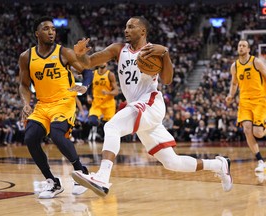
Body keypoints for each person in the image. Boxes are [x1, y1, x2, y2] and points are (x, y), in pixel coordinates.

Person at [72, 16, 232, 197]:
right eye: (125, 26)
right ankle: (219, 165)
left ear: (142, 31)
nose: (126, 30)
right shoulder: (118, 49)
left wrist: (165, 54)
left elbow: (167, 80)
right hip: (138, 107)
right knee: (172, 162)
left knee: (112, 126)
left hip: (150, 102)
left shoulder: (154, 51)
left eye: (131, 27)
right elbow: (87, 63)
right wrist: (79, 54)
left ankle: (102, 176)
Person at [18, 16, 93, 199]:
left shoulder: (63, 52)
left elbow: (87, 70)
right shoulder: (26, 57)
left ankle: (81, 172)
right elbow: (24, 85)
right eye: (46, 29)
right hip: (43, 104)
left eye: (53, 29)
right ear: (37, 33)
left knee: (57, 134)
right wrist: (26, 104)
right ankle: (52, 182)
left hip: (64, 101)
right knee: (30, 137)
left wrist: (85, 85)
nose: (51, 32)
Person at [226, 39, 266, 172]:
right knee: (247, 130)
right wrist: (231, 95)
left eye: (244, 46)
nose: (241, 47)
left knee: (258, 133)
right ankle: (260, 160)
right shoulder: (235, 66)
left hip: (260, 99)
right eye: (239, 45)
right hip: (244, 101)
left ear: (248, 49)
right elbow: (234, 83)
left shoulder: (256, 62)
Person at [87, 62, 119, 141]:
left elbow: (116, 91)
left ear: (106, 64)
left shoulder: (110, 75)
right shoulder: (93, 74)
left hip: (108, 104)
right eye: (101, 60)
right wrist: (88, 96)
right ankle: (100, 123)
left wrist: (108, 92)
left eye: (104, 61)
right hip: (97, 103)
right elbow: (88, 87)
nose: (102, 62)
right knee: (91, 121)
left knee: (109, 128)